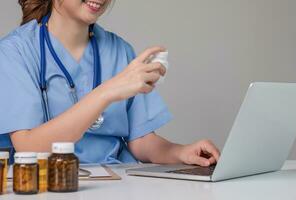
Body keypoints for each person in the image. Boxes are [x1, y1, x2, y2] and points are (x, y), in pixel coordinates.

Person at [0, 0, 220, 166]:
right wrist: (106, 92)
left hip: (118, 181)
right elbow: (28, 146)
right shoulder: (15, 52)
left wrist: (181, 152)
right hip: (49, 184)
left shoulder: (119, 50)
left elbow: (141, 140)